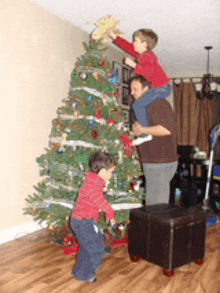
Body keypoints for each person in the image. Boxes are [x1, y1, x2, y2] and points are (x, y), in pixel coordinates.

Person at [109, 29, 172, 146]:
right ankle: (145, 132)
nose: (133, 43)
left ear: (144, 44)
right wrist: (113, 36)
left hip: (162, 88)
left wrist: (133, 65)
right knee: (141, 104)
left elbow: (148, 73)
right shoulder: (142, 55)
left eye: (136, 41)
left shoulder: (149, 56)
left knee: (137, 104)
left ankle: (145, 135)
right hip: (161, 88)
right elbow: (128, 47)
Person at [129, 75, 178, 205]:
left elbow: (166, 129)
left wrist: (143, 130)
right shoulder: (145, 106)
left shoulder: (158, 103)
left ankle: (158, 226)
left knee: (157, 207)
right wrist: (137, 130)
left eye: (135, 89)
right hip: (153, 162)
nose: (131, 92)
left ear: (146, 89)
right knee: (153, 204)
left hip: (160, 162)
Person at [71, 151, 116, 283]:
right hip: (84, 222)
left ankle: (80, 272)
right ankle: (86, 273)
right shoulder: (93, 185)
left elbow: (94, 198)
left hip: (81, 221)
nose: (112, 175)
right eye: (111, 172)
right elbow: (99, 201)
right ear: (103, 171)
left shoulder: (93, 181)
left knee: (87, 248)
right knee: (97, 250)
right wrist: (110, 212)